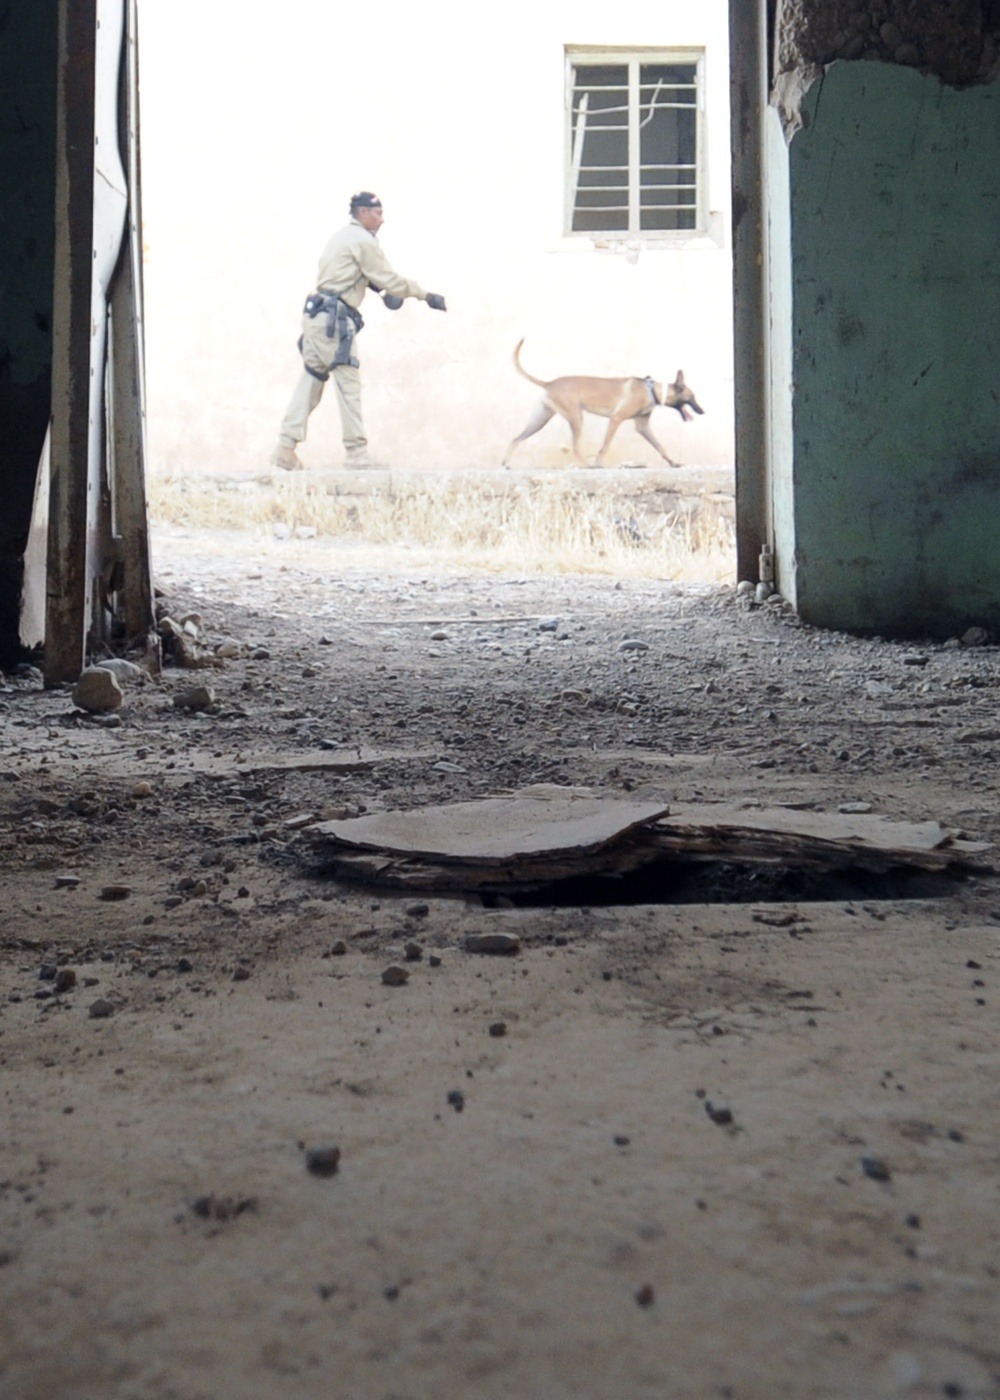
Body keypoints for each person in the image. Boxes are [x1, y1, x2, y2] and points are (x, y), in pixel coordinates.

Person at [271, 192, 447, 471]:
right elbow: (390, 279)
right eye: (377, 213)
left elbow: (345, 273)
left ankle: (285, 447)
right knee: (348, 385)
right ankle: (356, 454)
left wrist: (375, 288)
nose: (382, 219)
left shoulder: (341, 237)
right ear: (363, 213)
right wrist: (425, 295)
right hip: (335, 321)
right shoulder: (363, 241)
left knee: (311, 382)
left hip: (317, 317)